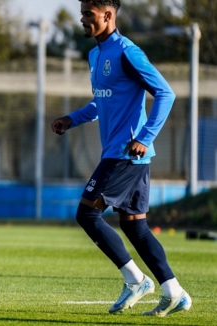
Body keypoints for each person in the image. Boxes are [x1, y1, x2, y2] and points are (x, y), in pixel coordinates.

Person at [51, 0, 191, 317]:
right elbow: (103, 102)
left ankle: (136, 280)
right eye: (83, 13)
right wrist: (72, 119)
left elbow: (166, 93)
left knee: (86, 215)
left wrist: (145, 136)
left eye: (89, 13)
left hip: (126, 153)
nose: (83, 19)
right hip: (125, 155)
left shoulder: (128, 52)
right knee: (134, 226)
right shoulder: (95, 54)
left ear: (108, 15)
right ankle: (175, 293)